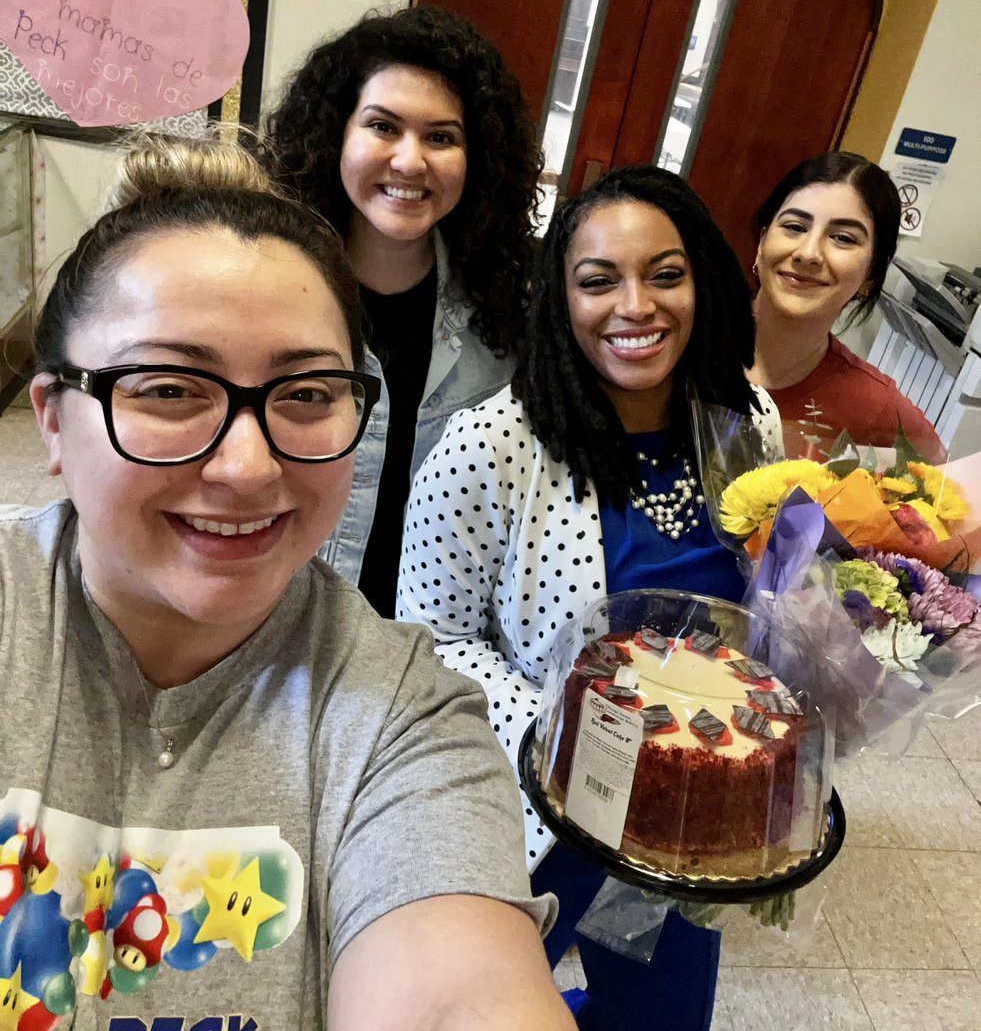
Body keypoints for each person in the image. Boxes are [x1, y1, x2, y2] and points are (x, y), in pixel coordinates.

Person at [0, 135, 575, 1030]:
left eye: (306, 395)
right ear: (51, 421)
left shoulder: (404, 719)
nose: (245, 465)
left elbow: (462, 989)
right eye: (167, 388)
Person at [397, 165, 782, 1031]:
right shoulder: (492, 444)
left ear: (703, 282)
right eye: (597, 280)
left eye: (665, 274)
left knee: (663, 1017)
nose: (635, 306)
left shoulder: (743, 417)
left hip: (685, 819)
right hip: (540, 805)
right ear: (560, 301)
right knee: (473, 1013)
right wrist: (578, 732)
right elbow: (429, 641)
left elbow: (772, 603)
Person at [263, 4, 541, 616]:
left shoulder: (509, 314)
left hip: (432, 637)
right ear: (336, 132)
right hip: (282, 622)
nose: (410, 162)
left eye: (441, 137)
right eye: (383, 127)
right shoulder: (265, 292)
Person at [749, 151, 946, 461]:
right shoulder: (682, 345)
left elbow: (951, 493)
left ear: (870, 273)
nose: (808, 253)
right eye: (795, 227)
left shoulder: (875, 408)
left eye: (842, 237)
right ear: (762, 244)